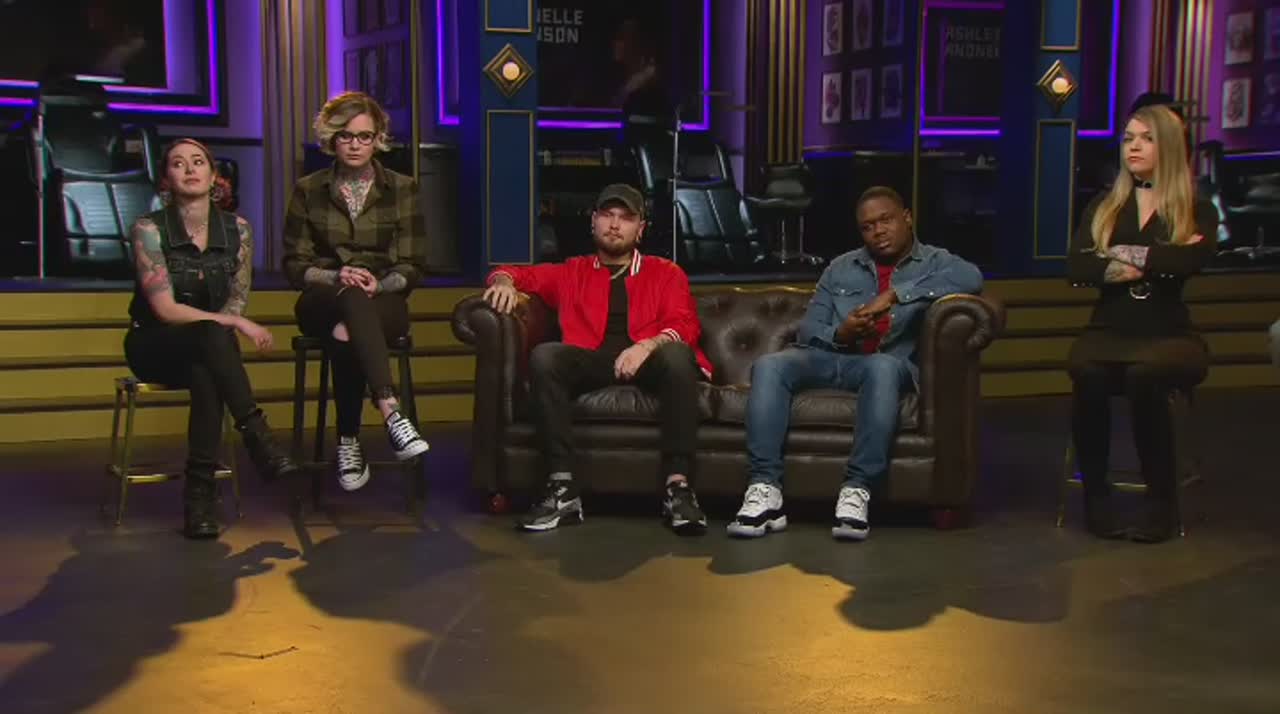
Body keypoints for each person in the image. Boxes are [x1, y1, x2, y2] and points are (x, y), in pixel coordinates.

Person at [728, 186, 983, 542]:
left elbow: (972, 278)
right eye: (867, 226)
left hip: (886, 364)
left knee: (881, 367)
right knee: (770, 365)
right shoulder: (841, 267)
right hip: (834, 357)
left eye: (886, 220)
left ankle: (856, 489)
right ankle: (764, 488)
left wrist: (894, 295)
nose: (878, 231)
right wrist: (842, 333)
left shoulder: (936, 262)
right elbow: (810, 329)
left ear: (907, 218)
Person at [483, 183, 712, 535]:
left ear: (640, 229)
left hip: (651, 361)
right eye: (607, 215)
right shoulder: (572, 271)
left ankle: (678, 488)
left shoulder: (666, 272)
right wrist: (502, 282)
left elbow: (684, 324)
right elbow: (516, 272)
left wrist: (646, 346)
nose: (615, 225)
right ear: (593, 222)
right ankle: (563, 488)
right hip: (594, 361)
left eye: (626, 218)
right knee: (545, 355)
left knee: (678, 354)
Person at [125, 138, 298, 539]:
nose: (190, 169)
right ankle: (257, 436)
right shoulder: (148, 229)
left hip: (208, 346)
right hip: (154, 344)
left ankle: (199, 502)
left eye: (198, 161)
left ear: (213, 174)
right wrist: (234, 323)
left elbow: (236, 299)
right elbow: (166, 310)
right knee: (211, 338)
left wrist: (230, 321)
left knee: (207, 368)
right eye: (178, 163)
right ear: (166, 179)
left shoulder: (238, 230)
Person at [1066, 105, 1219, 544]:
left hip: (1170, 332)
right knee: (1087, 371)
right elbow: (1077, 267)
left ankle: (1161, 502)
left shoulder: (1196, 207)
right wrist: (1156, 258)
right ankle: (1097, 496)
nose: (1133, 147)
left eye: (1146, 139)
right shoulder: (1105, 205)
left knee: (1144, 375)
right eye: (1129, 138)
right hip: (1108, 329)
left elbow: (1190, 260)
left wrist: (1117, 254)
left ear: (1168, 147)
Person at [282, 91, 430, 493]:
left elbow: (413, 265)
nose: (355, 145)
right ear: (331, 139)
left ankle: (348, 439)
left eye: (364, 137)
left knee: (348, 329)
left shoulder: (402, 188)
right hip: (322, 298)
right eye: (346, 136)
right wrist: (336, 276)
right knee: (348, 298)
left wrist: (379, 283)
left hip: (384, 300)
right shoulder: (309, 189)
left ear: (377, 139)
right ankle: (390, 410)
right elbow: (295, 265)